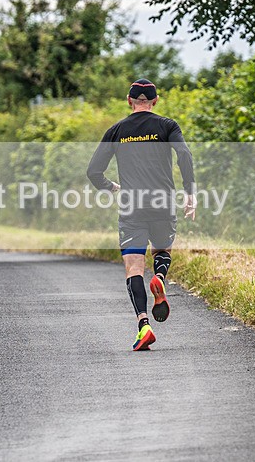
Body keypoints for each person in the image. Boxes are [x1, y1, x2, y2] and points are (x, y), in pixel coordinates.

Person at [87, 79, 196, 351]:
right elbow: (184, 155)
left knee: (134, 267)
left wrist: (112, 187)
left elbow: (93, 172)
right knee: (162, 250)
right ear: (155, 101)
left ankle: (143, 325)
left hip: (131, 205)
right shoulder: (167, 126)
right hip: (163, 202)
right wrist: (190, 192)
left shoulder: (117, 130)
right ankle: (159, 276)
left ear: (129, 100)